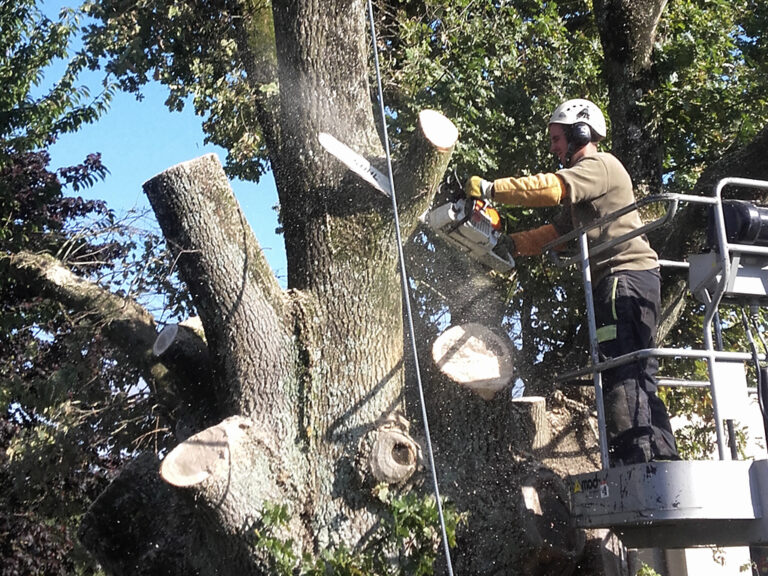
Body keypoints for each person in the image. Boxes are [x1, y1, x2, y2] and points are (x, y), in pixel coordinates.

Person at [465, 98, 679, 466]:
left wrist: (490, 189)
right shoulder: (588, 187)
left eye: (557, 138)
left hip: (622, 278)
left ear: (582, 133)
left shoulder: (599, 165)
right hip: (627, 280)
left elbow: (550, 189)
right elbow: (559, 233)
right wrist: (508, 245)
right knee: (636, 371)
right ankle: (660, 459)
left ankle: (640, 465)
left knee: (623, 371)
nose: (553, 147)